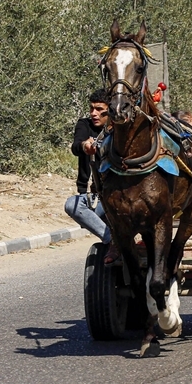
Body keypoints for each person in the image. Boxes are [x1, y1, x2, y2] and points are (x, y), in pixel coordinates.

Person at [64, 89, 116, 262]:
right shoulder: (84, 125)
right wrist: (85, 146)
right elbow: (76, 146)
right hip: (98, 196)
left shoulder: (120, 130)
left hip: (120, 194)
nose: (94, 113)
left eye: (100, 109)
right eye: (92, 108)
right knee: (72, 205)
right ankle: (111, 240)